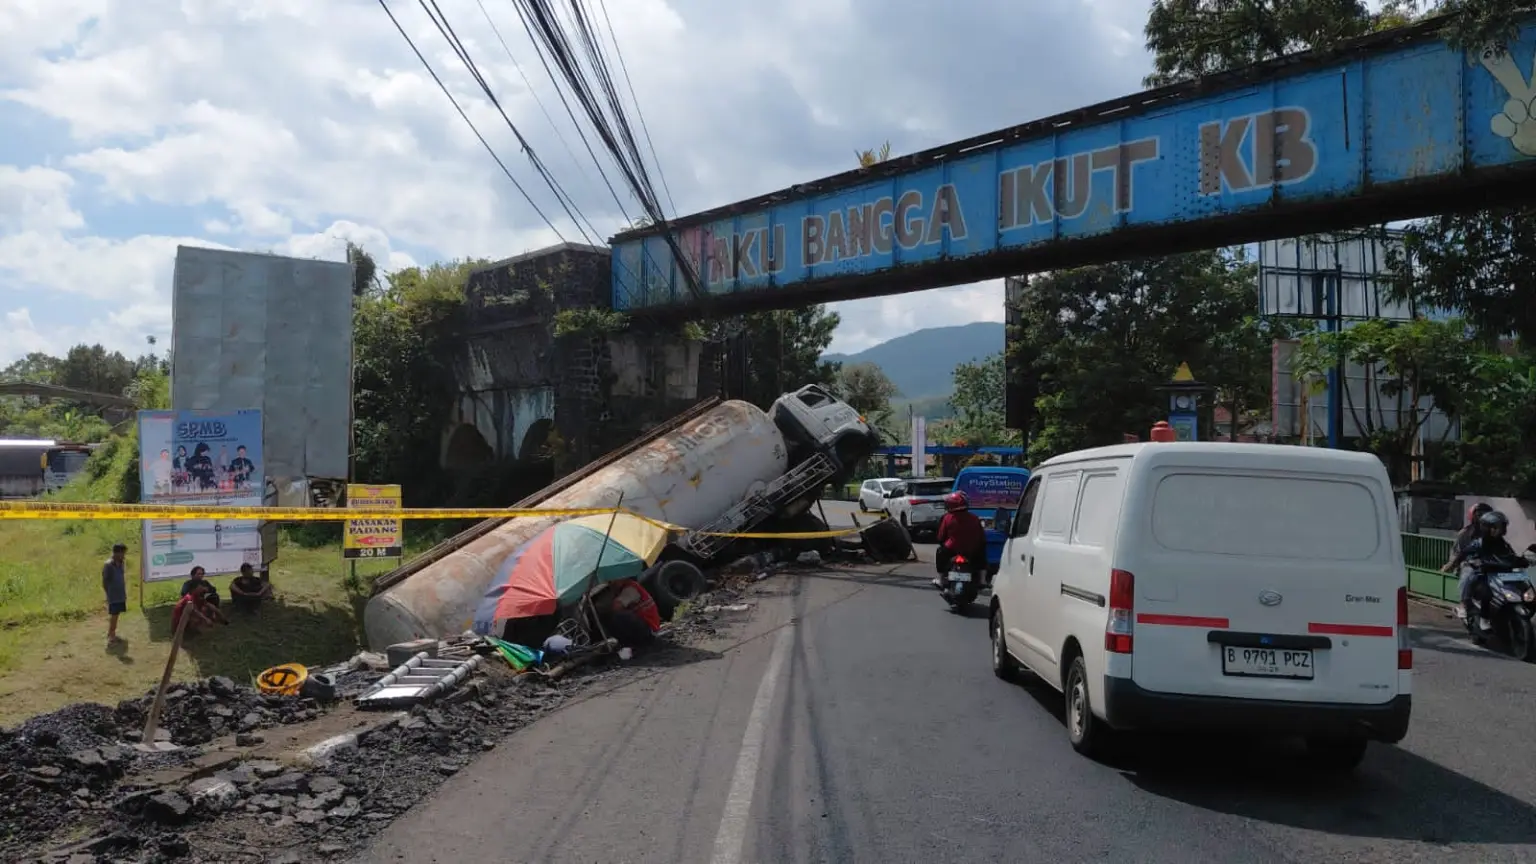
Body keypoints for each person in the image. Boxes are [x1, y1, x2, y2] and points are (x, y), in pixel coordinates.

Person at [1444, 509, 1521, 623]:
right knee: (1469, 575)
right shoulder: (1479, 542)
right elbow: (1464, 552)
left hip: (1498, 573)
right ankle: (1463, 605)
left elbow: (1511, 555)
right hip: (1482, 573)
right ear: (1488, 528)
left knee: (1519, 578)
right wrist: (1455, 563)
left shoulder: (1503, 544)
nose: (1501, 530)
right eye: (1497, 527)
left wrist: (1522, 560)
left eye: (1502, 527)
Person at [933, 491, 987, 588]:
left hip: (951, 549)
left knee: (939, 552)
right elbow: (981, 537)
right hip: (972, 550)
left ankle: (941, 580)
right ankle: (983, 580)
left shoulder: (947, 518)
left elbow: (940, 536)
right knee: (982, 555)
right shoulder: (974, 518)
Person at [102, 543, 129, 645]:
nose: (124, 555)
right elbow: (105, 582)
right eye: (122, 553)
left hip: (120, 593)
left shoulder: (121, 563)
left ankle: (111, 632)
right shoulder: (108, 565)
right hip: (113, 595)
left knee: (116, 614)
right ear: (116, 553)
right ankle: (111, 635)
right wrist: (108, 594)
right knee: (114, 615)